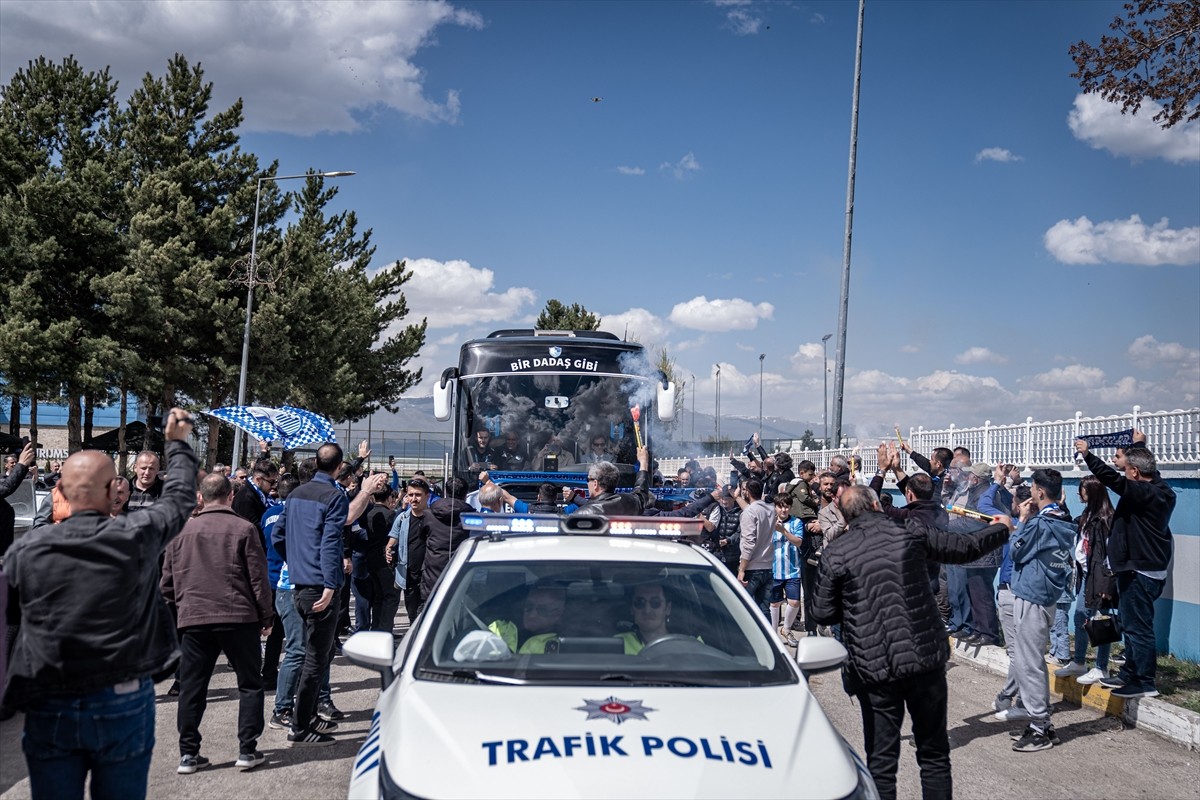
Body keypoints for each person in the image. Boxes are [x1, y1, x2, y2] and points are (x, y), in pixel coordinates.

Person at [2, 408, 197, 799]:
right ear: (113, 493)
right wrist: (177, 444)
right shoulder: (134, 536)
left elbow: (11, 619)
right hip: (121, 695)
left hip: (50, 697)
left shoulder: (25, 551)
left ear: (60, 492)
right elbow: (178, 500)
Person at [811, 485, 1012, 800]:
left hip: (873, 668)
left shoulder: (837, 552)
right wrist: (1001, 527)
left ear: (846, 516)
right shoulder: (910, 530)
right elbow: (965, 547)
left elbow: (823, 612)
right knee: (934, 754)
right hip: (924, 660)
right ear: (876, 505)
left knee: (881, 762)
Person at [160, 473, 274, 774]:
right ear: (231, 496)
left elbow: (167, 583)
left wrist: (177, 610)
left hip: (194, 618)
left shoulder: (181, 531)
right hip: (238, 617)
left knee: (192, 687)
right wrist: (266, 616)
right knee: (249, 683)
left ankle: (188, 753)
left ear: (200, 497)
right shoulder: (244, 528)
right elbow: (258, 578)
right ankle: (247, 749)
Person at [1077, 433, 1175, 700]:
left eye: (1127, 468)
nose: (1123, 470)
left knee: (1138, 628)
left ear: (1135, 472)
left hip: (1138, 573)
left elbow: (1112, 479)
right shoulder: (1161, 488)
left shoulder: (1144, 493)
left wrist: (1088, 455)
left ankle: (1144, 681)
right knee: (1132, 625)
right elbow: (1146, 466)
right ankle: (1129, 673)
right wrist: (1139, 445)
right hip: (1142, 569)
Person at [270, 442, 348, 746]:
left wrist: (296, 560)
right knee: (316, 659)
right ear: (338, 467)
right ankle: (300, 726)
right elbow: (330, 542)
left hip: (300, 584)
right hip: (320, 587)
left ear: (316, 463)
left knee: (316, 654)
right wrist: (329, 584)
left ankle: (308, 715)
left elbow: (278, 536)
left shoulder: (295, 494)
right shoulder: (334, 496)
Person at [1006, 468, 1076, 752]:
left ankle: (1039, 728)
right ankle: (1042, 723)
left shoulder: (1039, 524)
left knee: (1028, 662)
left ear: (1040, 491)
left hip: (1031, 596)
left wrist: (1022, 521)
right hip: (1047, 595)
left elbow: (1016, 551)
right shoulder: (1063, 519)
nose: (1031, 491)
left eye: (1033, 487)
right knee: (1032, 660)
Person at [1054, 475, 1117, 685]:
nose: (1079, 494)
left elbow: (1110, 554)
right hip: (1086, 575)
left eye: (1082, 490)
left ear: (1092, 492)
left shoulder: (1106, 519)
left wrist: (1107, 582)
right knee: (1081, 617)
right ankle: (1079, 661)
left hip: (1100, 577)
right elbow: (1072, 528)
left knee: (1101, 621)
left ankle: (1101, 667)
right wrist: (1062, 508)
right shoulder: (1087, 515)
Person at [573, 447, 652, 516]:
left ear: (595, 484)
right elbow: (641, 493)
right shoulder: (629, 502)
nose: (587, 483)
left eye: (588, 480)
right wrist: (643, 462)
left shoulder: (582, 514)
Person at [735, 479, 775, 619]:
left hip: (752, 568)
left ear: (747, 492)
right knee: (764, 610)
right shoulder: (771, 509)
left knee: (742, 609)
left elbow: (749, 543)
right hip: (768, 566)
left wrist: (741, 569)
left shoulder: (749, 512)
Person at [488, 584, 565, 654]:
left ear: (557, 615)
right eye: (529, 606)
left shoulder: (561, 646)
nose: (532, 615)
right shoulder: (501, 628)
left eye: (542, 610)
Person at [770, 495, 805, 646]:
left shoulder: (796, 522)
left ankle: (786, 629)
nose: (783, 510)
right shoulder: (769, 522)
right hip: (773, 569)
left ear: (790, 507)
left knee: (795, 602)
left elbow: (798, 542)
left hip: (792, 569)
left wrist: (783, 531)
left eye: (786, 506)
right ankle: (773, 635)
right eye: (780, 506)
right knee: (774, 604)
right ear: (775, 507)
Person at [615, 582, 677, 654]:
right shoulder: (618, 643)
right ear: (632, 609)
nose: (647, 610)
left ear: (668, 608)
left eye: (655, 602)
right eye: (640, 603)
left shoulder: (685, 644)